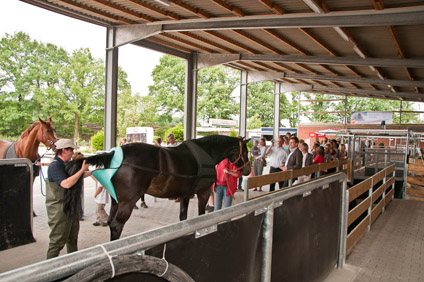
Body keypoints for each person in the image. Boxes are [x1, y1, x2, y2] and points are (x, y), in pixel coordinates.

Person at [45, 139, 91, 259]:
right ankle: (48, 271)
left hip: (70, 207)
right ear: (63, 150)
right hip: (59, 209)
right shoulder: (54, 166)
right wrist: (82, 169)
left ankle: (72, 265)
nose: (72, 152)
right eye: (71, 150)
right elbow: (66, 183)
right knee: (57, 241)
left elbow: (76, 177)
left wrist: (94, 171)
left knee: (72, 239)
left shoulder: (66, 164)